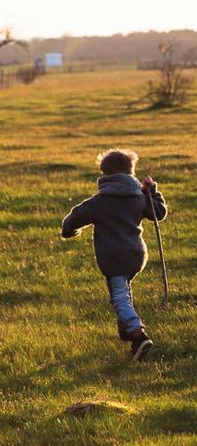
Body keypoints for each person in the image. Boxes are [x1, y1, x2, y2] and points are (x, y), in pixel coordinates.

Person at [61, 149, 168, 360]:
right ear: (131, 173)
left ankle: (138, 335)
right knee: (123, 291)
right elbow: (160, 212)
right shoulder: (138, 198)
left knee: (119, 297)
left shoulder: (99, 202)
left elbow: (73, 219)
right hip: (136, 256)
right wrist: (152, 191)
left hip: (113, 257)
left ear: (104, 175)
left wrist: (69, 231)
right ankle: (126, 329)